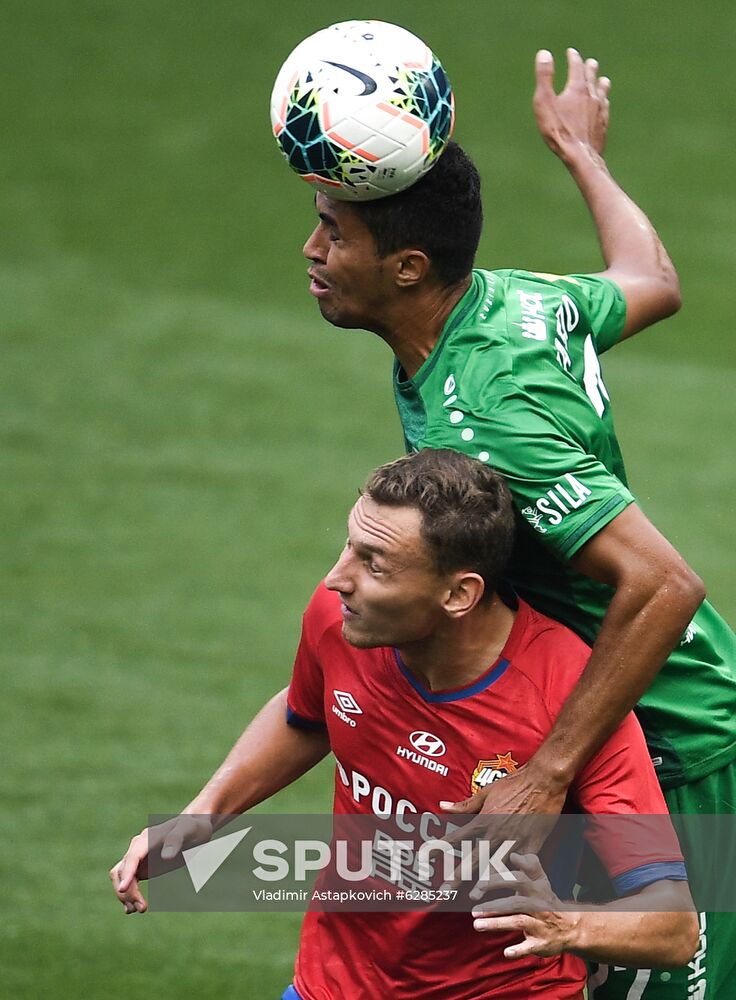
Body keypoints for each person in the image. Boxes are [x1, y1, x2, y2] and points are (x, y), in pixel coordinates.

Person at [300, 48, 736, 999]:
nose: (313, 250)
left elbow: (666, 585)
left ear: (408, 267)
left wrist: (545, 775)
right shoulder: (510, 302)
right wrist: (584, 154)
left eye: (335, 231)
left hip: (662, 730)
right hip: (596, 709)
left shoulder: (488, 416)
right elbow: (651, 280)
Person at [111, 450, 697, 1000]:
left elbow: (673, 926)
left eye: (375, 563)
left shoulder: (567, 701)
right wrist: (201, 817)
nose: (338, 579)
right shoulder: (339, 621)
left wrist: (567, 925)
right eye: (348, 545)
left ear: (459, 594)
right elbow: (307, 715)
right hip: (333, 981)